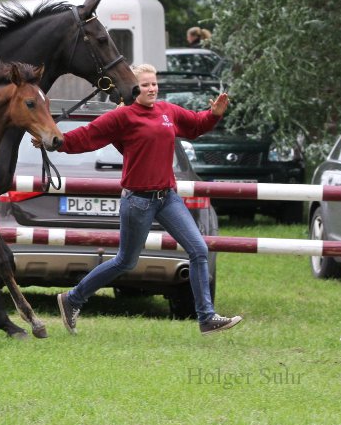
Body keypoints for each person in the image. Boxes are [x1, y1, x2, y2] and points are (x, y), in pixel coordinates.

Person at [38, 63, 242, 335]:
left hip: (167, 197)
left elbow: (194, 125)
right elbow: (86, 137)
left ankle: (206, 317)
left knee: (199, 250)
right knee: (126, 261)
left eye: (154, 83)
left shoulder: (167, 111)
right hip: (138, 201)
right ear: (134, 88)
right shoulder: (123, 116)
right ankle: (73, 298)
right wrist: (55, 142)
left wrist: (213, 115)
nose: (152, 88)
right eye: (145, 84)